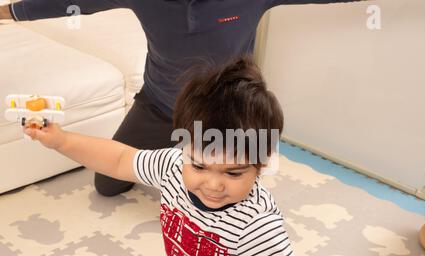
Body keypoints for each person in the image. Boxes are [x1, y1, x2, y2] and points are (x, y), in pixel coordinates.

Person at [0, 0, 365, 197]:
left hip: (221, 114)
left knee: (215, 198)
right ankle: (179, 158)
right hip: (158, 104)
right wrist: (9, 12)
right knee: (107, 186)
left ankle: (192, 162)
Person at [23, 56, 306, 256]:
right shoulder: (172, 167)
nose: (213, 184)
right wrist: (62, 140)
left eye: (233, 173)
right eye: (199, 167)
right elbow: (120, 159)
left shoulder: (255, 222)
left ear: (263, 161)